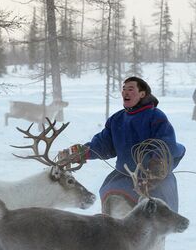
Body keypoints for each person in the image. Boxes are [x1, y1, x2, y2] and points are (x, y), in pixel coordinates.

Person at [61, 76, 186, 215]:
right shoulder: (117, 119)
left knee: (159, 213)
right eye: (124, 89)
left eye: (130, 89)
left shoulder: (155, 116)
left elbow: (165, 143)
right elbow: (103, 145)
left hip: (152, 178)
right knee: (110, 200)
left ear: (142, 94)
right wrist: (78, 152)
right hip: (124, 176)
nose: (125, 92)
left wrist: (156, 167)